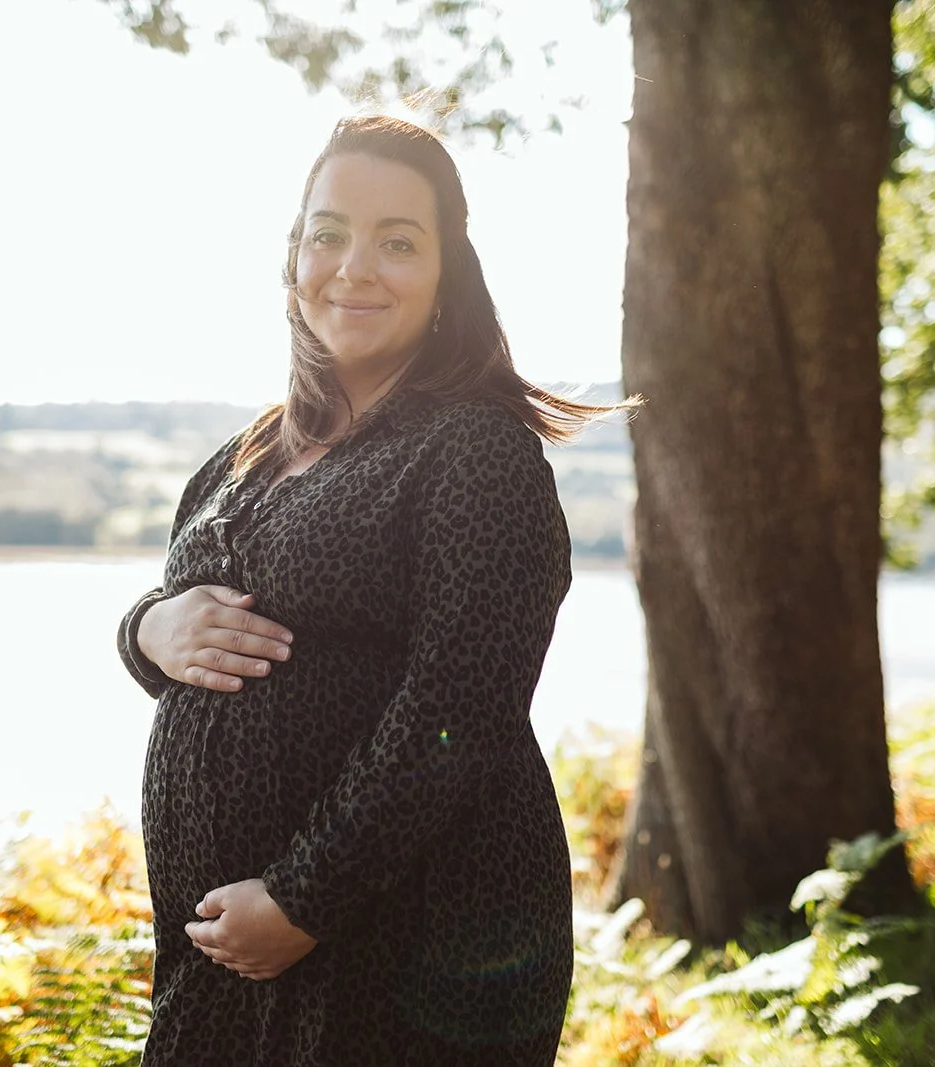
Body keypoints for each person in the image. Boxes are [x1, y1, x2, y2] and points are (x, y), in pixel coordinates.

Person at [116, 114, 630, 1066]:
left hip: (416, 942)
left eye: (398, 241)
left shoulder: (476, 451)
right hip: (223, 950)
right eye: (329, 232)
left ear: (447, 275)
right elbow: (193, 637)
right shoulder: (242, 457)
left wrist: (304, 899)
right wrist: (145, 630)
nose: (354, 266)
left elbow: (462, 706)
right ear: (293, 257)